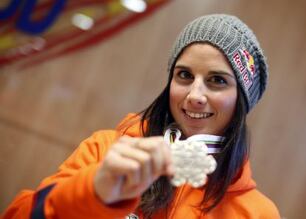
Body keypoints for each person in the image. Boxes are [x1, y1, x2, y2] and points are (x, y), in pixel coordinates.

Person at [3, 14, 280, 219]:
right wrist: (95, 190)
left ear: (241, 101)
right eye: (184, 75)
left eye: (217, 80)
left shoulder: (257, 213)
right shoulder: (106, 151)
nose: (195, 94)